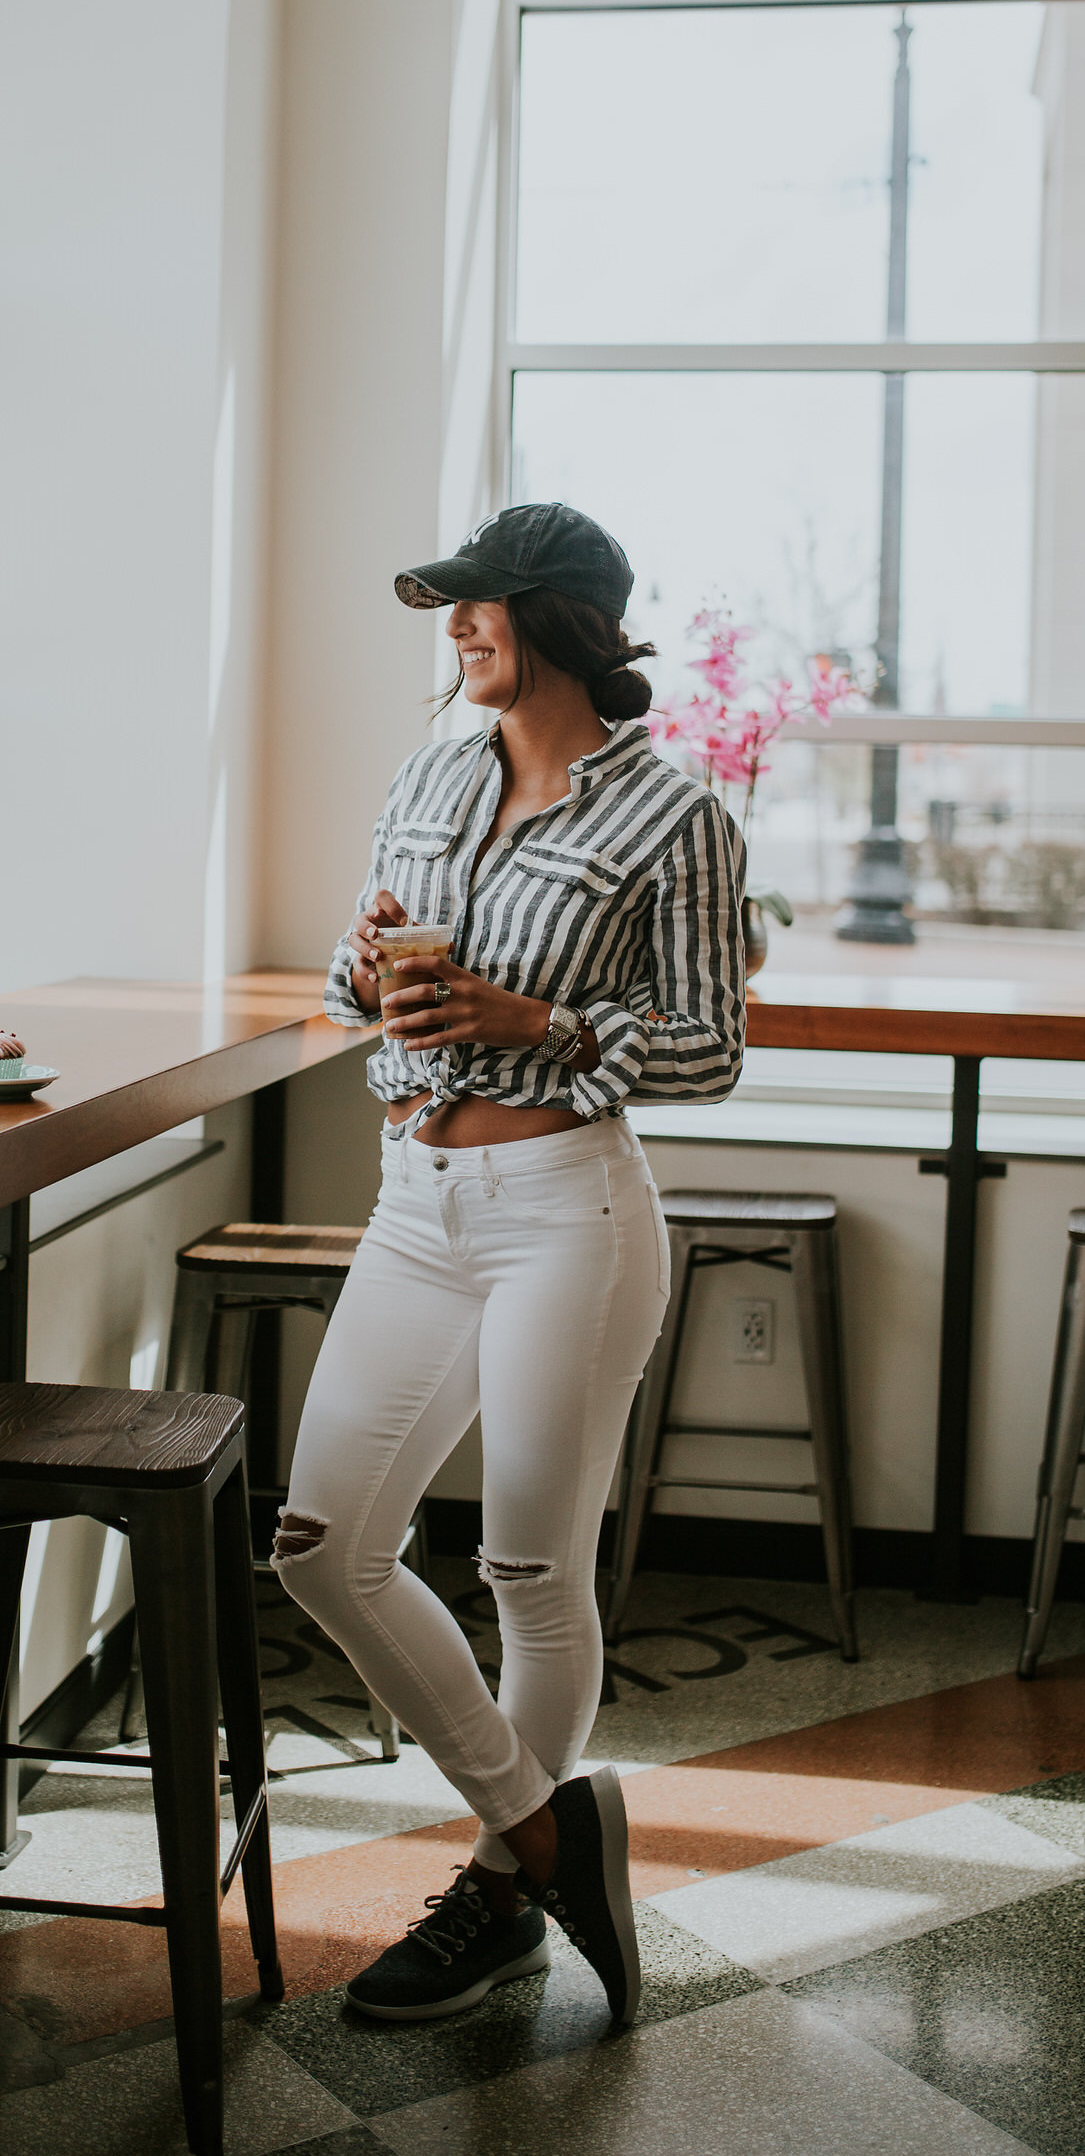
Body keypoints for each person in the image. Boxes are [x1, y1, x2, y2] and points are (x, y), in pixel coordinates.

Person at [271, 501, 746, 2029]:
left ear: (562, 621)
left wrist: (531, 1022)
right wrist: (375, 960)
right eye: (454, 608)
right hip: (417, 1200)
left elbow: (712, 1050)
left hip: (569, 1216)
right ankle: (552, 1838)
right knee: (321, 1544)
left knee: (532, 1566)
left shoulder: (676, 817)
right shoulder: (430, 772)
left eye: (482, 605)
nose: (460, 629)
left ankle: (495, 1890)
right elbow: (358, 987)